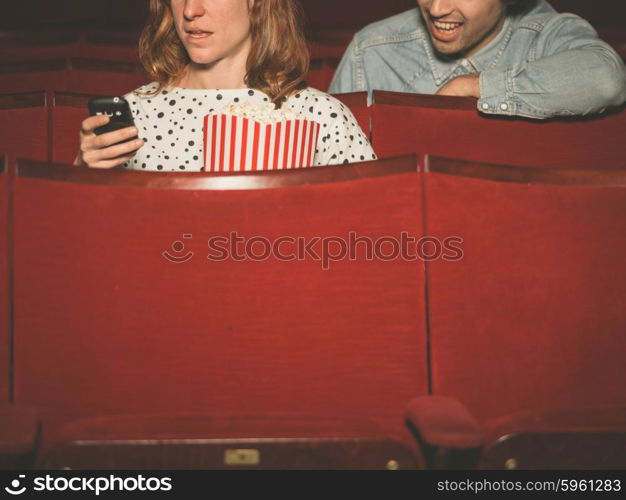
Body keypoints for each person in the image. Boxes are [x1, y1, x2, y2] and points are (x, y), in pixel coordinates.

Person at [75, 0, 375, 171]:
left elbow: (370, 229)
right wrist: (81, 174)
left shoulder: (319, 115)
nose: (191, 10)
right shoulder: (132, 114)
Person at [329, 0, 626, 119]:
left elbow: (607, 78)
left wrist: (475, 86)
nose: (436, 8)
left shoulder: (543, 34)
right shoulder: (372, 49)